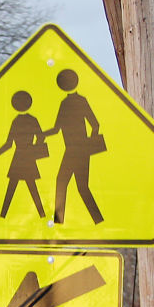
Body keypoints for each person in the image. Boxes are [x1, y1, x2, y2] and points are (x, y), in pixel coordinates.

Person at [43, 68, 105, 225]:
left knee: (66, 183)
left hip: (75, 150)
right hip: (76, 150)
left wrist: (88, 143)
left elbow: (95, 124)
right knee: (80, 187)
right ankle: (97, 220)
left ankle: (59, 222)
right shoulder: (73, 102)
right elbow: (58, 128)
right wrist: (43, 134)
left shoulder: (73, 102)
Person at [0, 89, 47, 219]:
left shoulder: (16, 121)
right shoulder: (31, 120)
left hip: (20, 156)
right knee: (28, 186)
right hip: (26, 156)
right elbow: (41, 137)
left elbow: (9, 144)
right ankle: (41, 215)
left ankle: (3, 215)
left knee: (15, 187)